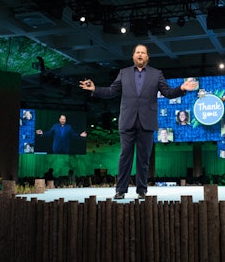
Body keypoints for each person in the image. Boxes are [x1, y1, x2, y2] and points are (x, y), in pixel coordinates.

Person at [79, 44, 197, 199]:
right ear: (133, 56)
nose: (140, 54)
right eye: (137, 52)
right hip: (127, 120)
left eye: (143, 52)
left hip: (146, 121)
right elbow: (111, 91)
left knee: (143, 159)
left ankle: (142, 189)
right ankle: (120, 190)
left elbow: (167, 93)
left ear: (147, 57)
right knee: (124, 157)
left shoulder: (157, 74)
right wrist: (95, 89)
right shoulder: (124, 73)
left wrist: (181, 88)